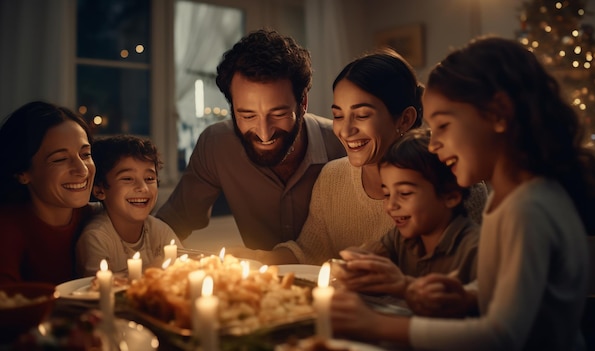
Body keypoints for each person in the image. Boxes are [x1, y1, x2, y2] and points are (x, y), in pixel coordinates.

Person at [330, 36, 595, 350]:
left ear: (497, 114)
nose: (434, 145)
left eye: (444, 126)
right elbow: (515, 288)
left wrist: (376, 324)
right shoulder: (507, 198)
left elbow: (502, 335)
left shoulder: (528, 209)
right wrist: (466, 294)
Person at [233, 49, 487, 265]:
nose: (345, 130)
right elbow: (309, 253)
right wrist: (259, 259)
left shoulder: (455, 182)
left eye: (362, 115)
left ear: (405, 119)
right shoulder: (332, 177)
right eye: (338, 115)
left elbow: (464, 283)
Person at [156, 29, 345, 250]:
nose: (264, 133)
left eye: (278, 114)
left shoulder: (344, 144)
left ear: (302, 103)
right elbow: (174, 221)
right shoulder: (216, 144)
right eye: (248, 116)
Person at [333, 129, 479, 299]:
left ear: (450, 196)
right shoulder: (400, 239)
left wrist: (403, 285)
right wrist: (356, 263)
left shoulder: (476, 249)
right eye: (387, 194)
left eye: (405, 193)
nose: (391, 205)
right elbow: (373, 256)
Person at [0, 101, 96, 284]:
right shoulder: (6, 228)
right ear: (22, 173)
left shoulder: (98, 218)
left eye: (85, 155)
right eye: (60, 159)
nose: (82, 170)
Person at [76, 135, 183, 277]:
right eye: (127, 179)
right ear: (100, 190)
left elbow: (184, 268)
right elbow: (96, 289)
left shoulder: (159, 230)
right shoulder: (96, 238)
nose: (143, 188)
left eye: (149, 178)